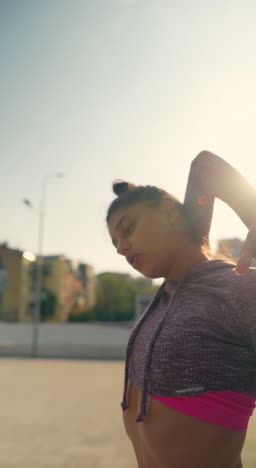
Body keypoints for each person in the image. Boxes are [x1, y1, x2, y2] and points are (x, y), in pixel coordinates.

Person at [106, 151, 256, 468]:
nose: (120, 248)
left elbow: (205, 166)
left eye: (128, 228)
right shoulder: (164, 296)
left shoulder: (241, 287)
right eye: (115, 242)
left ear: (169, 214)